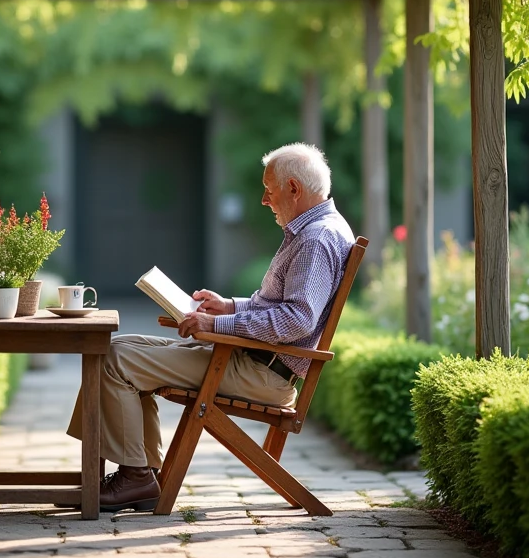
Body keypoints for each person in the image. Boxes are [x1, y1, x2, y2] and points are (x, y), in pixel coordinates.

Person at [66, 142, 356, 512]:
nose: (265, 201)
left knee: (117, 359)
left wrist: (218, 322)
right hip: (248, 360)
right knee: (116, 348)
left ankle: (136, 477)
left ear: (294, 189)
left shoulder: (316, 239)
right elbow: (283, 307)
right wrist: (229, 305)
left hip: (258, 372)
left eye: (269, 191)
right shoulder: (318, 230)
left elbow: (297, 320)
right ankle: (139, 473)